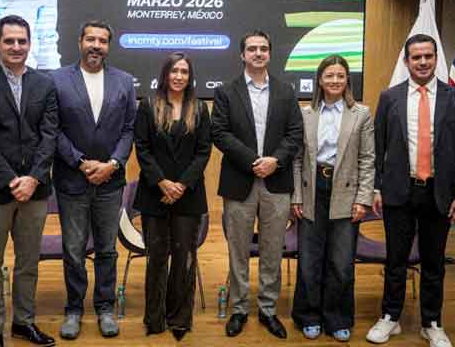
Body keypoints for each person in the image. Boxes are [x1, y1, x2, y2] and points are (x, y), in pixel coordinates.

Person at [365, 34, 455, 347]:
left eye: (428, 56)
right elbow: (378, 147)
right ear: (406, 61)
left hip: (439, 194)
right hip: (399, 192)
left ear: (436, 58)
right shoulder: (390, 98)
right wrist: (376, 187)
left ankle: (432, 323)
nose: (423, 62)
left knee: (433, 262)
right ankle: (390, 317)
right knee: (396, 260)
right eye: (416, 57)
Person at [0, 15, 58, 347]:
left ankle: (23, 322)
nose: (16, 47)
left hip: (35, 190)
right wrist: (11, 181)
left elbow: (49, 136)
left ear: (30, 44)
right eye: (9, 41)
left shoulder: (45, 83)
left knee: (28, 262)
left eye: (22, 41)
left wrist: (33, 178)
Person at [211, 29, 303, 339]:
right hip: (240, 181)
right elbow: (220, 133)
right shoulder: (226, 92)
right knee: (238, 249)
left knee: (272, 249)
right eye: (252, 49)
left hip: (277, 181)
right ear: (242, 54)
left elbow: (295, 134)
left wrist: (275, 161)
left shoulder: (286, 91)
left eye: (263, 48)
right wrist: (254, 161)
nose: (258, 53)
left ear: (270, 53)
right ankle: (239, 309)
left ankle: (267, 309)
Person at [51, 20, 137, 339]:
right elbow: (53, 128)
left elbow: (129, 129)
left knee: (107, 249)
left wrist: (113, 164)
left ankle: (105, 307)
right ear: (80, 42)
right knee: (73, 250)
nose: (96, 45)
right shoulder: (57, 80)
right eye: (91, 39)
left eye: (102, 40)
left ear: (108, 46)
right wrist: (80, 162)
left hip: (110, 182)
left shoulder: (124, 81)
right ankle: (74, 309)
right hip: (72, 180)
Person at [290, 54, 374, 342]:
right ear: (320, 80)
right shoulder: (305, 114)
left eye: (340, 75)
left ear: (347, 79)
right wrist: (296, 196)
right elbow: (297, 159)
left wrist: (363, 199)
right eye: (329, 75)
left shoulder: (361, 114)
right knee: (309, 259)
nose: (335, 80)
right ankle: (308, 316)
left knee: (341, 261)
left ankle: (337, 318)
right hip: (312, 190)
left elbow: (367, 159)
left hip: (346, 192)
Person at [133, 52, 212, 341]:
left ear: (190, 77)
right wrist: (163, 183)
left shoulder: (199, 108)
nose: (179, 76)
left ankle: (179, 318)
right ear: (165, 74)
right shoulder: (148, 105)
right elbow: (142, 147)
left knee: (184, 257)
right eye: (174, 71)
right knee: (156, 258)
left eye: (184, 72)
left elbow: (204, 151)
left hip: (188, 196)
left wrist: (181, 185)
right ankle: (154, 319)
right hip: (154, 194)